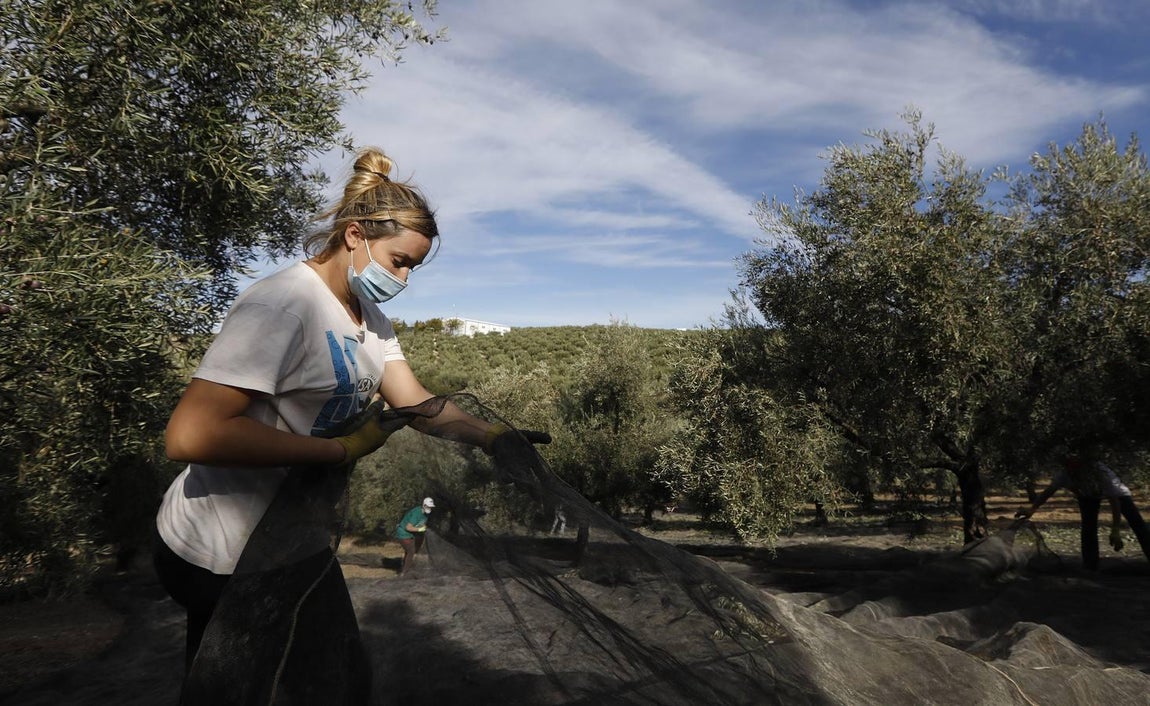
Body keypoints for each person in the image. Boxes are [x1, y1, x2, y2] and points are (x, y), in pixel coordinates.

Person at [152, 147, 547, 693]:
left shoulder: (373, 320)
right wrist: (339, 450)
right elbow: (191, 434)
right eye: (398, 261)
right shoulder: (283, 305)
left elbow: (415, 402)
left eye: (412, 268)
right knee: (268, 687)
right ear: (356, 235)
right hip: (220, 549)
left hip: (292, 540)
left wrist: (492, 436)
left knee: (330, 680)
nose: (403, 278)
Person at [1017, 452, 1150, 570]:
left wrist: (1115, 529)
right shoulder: (1064, 475)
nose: (1074, 472)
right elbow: (1048, 492)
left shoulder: (1101, 473)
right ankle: (1090, 565)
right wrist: (1032, 509)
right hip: (1086, 495)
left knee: (1137, 524)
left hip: (1118, 495)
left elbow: (1115, 501)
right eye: (1071, 469)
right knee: (1088, 527)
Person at [395, 497, 434, 574]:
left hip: (411, 534)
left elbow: (421, 523)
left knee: (409, 551)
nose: (429, 508)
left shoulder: (426, 514)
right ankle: (405, 572)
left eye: (431, 507)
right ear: (424, 505)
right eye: (428, 506)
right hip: (403, 533)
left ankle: (404, 568)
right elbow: (408, 527)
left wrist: (423, 528)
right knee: (411, 551)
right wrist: (419, 530)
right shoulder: (417, 513)